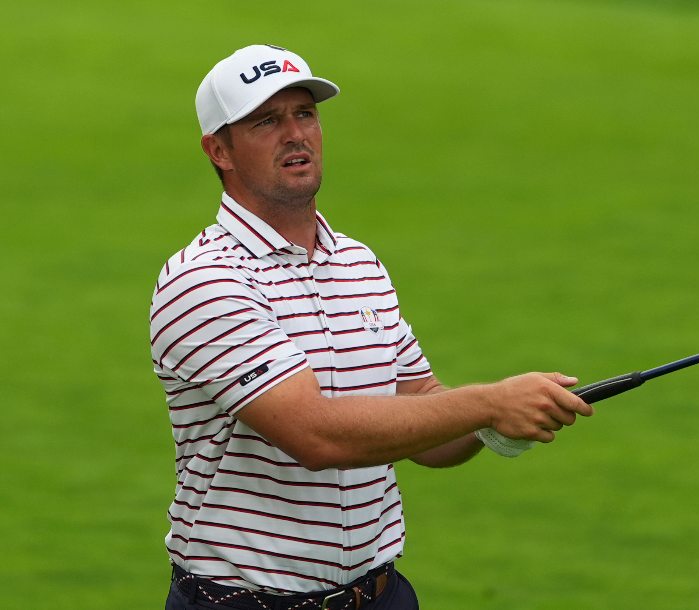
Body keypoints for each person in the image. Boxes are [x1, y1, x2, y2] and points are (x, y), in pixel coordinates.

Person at [150, 44, 593, 610]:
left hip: (381, 595)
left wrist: (502, 423)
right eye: (266, 121)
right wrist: (487, 404)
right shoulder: (203, 281)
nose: (295, 135)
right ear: (219, 151)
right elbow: (314, 435)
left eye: (305, 114)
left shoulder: (358, 262)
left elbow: (423, 414)